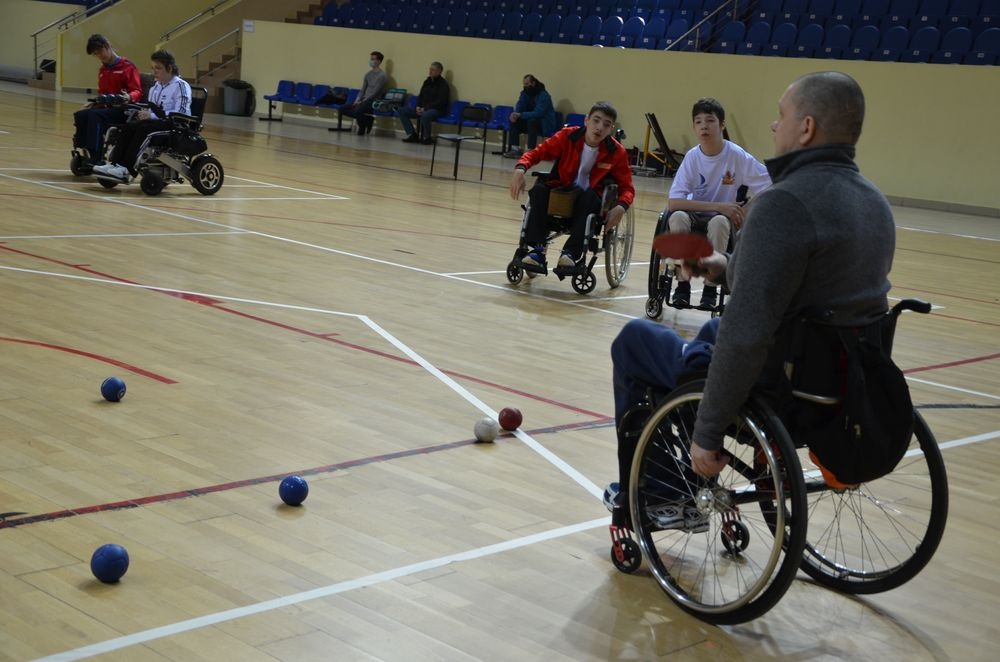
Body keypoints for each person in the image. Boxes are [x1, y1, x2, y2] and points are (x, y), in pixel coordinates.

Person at [607, 71, 894, 529]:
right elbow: (804, 286)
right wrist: (723, 267)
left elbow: (747, 330)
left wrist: (709, 432)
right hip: (839, 377)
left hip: (780, 381)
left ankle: (662, 492)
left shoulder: (783, 204)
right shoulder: (875, 202)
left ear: (807, 128)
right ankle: (676, 476)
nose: (773, 127)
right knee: (707, 330)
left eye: (781, 116)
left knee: (636, 339)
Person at [667, 97, 772, 309]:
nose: (704, 126)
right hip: (696, 215)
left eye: (710, 120)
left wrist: (745, 211)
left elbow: (771, 184)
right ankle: (682, 284)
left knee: (720, 223)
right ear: (694, 127)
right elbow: (674, 202)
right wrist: (717, 207)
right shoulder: (692, 157)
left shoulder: (736, 155)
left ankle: (710, 286)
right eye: (698, 122)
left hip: (722, 221)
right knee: (677, 217)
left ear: (722, 125)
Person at [510, 101, 635, 271]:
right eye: (596, 121)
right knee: (539, 190)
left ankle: (569, 253)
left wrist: (621, 206)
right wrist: (520, 169)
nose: (599, 128)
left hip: (588, 200)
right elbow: (536, 153)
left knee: (590, 198)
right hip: (562, 192)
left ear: (610, 129)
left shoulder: (617, 152)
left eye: (606, 125)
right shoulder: (567, 136)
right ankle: (537, 251)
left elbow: (627, 188)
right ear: (586, 121)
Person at [92, 50, 192, 183]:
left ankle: (127, 168)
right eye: (153, 68)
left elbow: (181, 113)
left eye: (158, 68)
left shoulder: (181, 86)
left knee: (142, 130)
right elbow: (152, 108)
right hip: (158, 122)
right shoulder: (155, 87)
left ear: (169, 68)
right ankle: (115, 163)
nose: (154, 71)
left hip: (175, 125)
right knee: (129, 127)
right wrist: (145, 113)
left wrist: (151, 115)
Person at [72, 34, 142, 172]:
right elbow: (102, 93)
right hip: (106, 109)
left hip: (123, 110)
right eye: (96, 54)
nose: (99, 56)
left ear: (108, 46)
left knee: (95, 116)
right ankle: (86, 150)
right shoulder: (103, 70)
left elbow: (137, 91)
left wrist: (129, 96)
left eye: (100, 51)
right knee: (81, 115)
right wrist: (93, 103)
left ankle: (97, 156)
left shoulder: (128, 67)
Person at [502, 74, 557, 158]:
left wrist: (521, 114)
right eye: (524, 84)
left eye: (527, 84)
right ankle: (515, 149)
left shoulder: (544, 96)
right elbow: (520, 105)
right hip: (529, 121)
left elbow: (538, 113)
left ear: (533, 83)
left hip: (544, 124)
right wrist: (515, 114)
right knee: (514, 121)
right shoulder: (525, 93)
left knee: (532, 121)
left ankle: (531, 151)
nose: (525, 86)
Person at [397, 61, 450, 145]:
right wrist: (418, 106)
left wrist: (425, 108)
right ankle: (412, 134)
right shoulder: (427, 82)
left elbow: (440, 101)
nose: (430, 71)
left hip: (437, 110)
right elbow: (420, 96)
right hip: (422, 108)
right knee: (402, 111)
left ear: (439, 71)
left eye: (433, 70)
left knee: (426, 115)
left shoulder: (443, 85)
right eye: (430, 69)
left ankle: (427, 138)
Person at [339, 51, 387, 136]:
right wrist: (357, 99)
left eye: (373, 59)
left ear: (379, 61)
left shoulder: (382, 76)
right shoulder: (368, 74)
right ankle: (368, 120)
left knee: (357, 110)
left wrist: (362, 101)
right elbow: (363, 89)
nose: (371, 61)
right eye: (370, 59)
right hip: (364, 99)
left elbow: (375, 92)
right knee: (342, 108)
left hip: (373, 100)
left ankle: (362, 127)